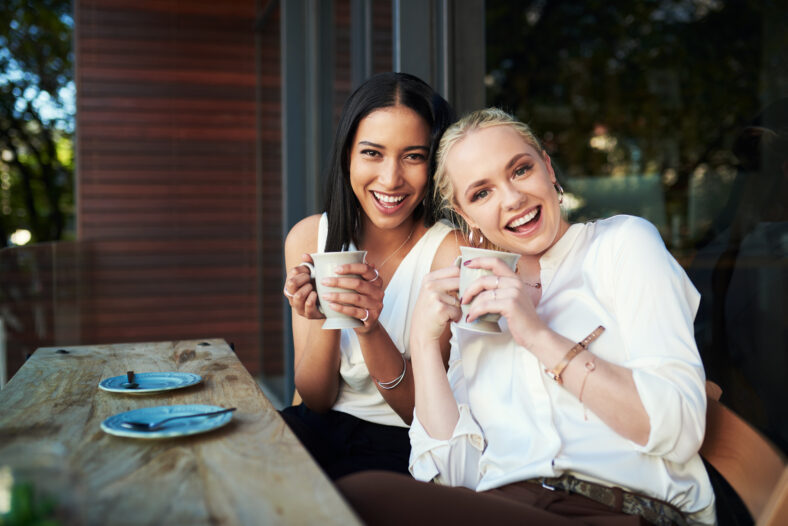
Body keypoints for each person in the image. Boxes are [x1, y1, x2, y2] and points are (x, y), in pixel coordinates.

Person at [336, 108, 716, 525]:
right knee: (357, 499)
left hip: (623, 510)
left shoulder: (622, 245)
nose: (512, 199)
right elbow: (453, 476)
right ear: (466, 216)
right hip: (511, 507)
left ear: (548, 168)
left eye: (520, 170)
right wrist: (425, 345)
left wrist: (535, 333)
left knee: (362, 496)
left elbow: (679, 430)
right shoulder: (477, 296)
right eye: (481, 193)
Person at [280, 72, 458, 480]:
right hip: (318, 427)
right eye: (373, 153)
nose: (391, 178)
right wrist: (327, 312)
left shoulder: (448, 253)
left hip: (403, 444)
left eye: (413, 156)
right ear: (348, 156)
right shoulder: (309, 237)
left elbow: (420, 412)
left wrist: (368, 326)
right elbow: (316, 399)